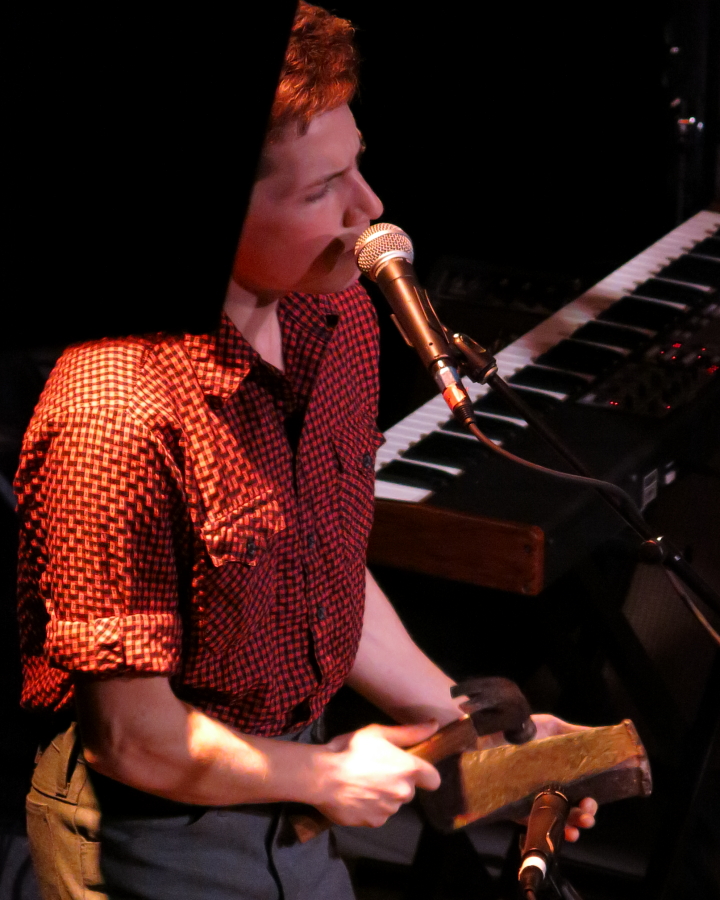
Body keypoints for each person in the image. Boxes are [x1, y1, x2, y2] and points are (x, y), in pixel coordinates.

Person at [15, 4, 597, 899]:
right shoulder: (116, 410)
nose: (370, 208)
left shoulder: (335, 317)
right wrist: (324, 773)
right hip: (142, 829)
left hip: (287, 794)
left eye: (357, 163)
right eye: (324, 189)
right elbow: (128, 737)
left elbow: (311, 571)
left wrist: (469, 732)